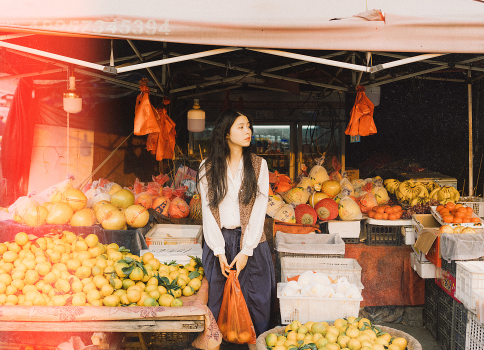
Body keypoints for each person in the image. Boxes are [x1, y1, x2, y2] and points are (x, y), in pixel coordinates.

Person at [197, 109, 275, 349]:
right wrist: (220, 251)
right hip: (218, 243)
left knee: (255, 303)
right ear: (226, 133)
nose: (248, 131)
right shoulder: (207, 167)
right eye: (241, 126)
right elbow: (208, 212)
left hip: (252, 245)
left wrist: (246, 250)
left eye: (249, 126)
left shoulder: (259, 166)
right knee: (216, 304)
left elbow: (259, 209)